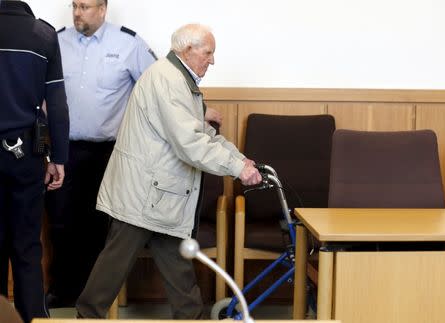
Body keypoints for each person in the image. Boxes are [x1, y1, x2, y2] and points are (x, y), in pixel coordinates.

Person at [76, 23, 262, 319]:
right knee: (112, 269)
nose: (211, 60)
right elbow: (189, 143)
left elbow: (202, 133)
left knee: (179, 269)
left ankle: (190, 318)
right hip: (142, 195)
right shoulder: (168, 80)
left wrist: (242, 160)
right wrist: (237, 169)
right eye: (207, 53)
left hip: (161, 196)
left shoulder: (178, 80)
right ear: (187, 51)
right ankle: (86, 318)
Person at [44, 0, 158, 307]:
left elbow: (159, 86)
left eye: (86, 6)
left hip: (108, 152)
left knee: (100, 225)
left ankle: (95, 296)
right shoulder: (56, 41)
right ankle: (64, 290)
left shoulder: (127, 43)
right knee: (61, 222)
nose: (78, 12)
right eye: (75, 6)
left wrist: (198, 110)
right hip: (63, 151)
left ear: (103, 9)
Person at [0, 1, 69, 322]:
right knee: (27, 247)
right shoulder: (42, 33)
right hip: (25, 154)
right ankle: (33, 319)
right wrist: (60, 159)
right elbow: (56, 103)